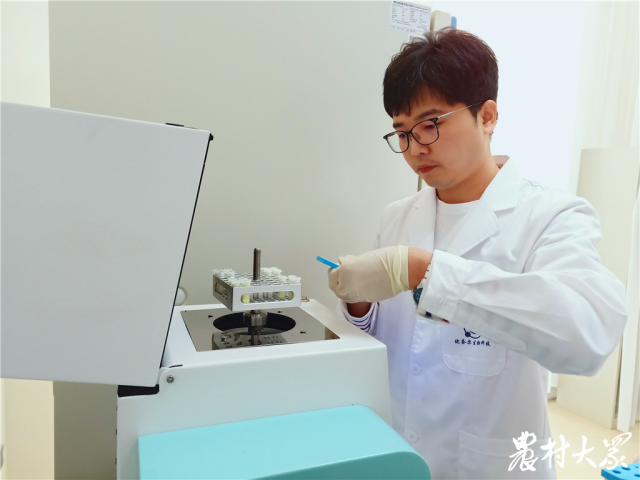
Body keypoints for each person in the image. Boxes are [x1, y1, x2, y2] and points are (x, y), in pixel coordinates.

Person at [327, 28, 627, 480]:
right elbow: (391, 341)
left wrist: (427, 273)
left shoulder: (550, 215)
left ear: (486, 117)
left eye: (431, 124)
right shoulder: (398, 215)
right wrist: (360, 306)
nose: (416, 148)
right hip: (397, 452)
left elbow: (586, 337)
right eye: (402, 132)